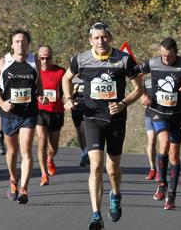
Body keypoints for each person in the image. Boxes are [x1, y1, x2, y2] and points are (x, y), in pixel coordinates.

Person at [62, 22, 143, 230]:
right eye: (96, 38)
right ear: (90, 40)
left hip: (116, 119)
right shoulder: (81, 59)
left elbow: (139, 88)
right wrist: (68, 97)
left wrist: (123, 103)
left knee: (113, 167)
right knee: (96, 165)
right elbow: (66, 78)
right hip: (92, 118)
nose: (100, 41)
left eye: (104, 37)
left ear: (110, 38)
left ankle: (115, 194)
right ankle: (96, 214)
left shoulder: (124, 59)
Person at [137, 37, 181, 210]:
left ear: (176, 53)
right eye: (163, 55)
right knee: (163, 143)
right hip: (158, 112)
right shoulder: (153, 63)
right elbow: (136, 74)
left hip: (177, 115)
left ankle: (171, 195)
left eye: (169, 56)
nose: (165, 59)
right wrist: (143, 94)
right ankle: (162, 183)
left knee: (174, 155)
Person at [0, 29, 47, 204]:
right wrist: (1, 103)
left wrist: (41, 94)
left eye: (23, 41)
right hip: (9, 113)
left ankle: (24, 189)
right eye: (17, 41)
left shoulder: (34, 61)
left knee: (26, 151)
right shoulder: (3, 62)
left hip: (28, 113)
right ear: (12, 44)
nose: (20, 44)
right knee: (12, 152)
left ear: (28, 44)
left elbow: (39, 84)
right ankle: (13, 180)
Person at [36, 46, 66, 186]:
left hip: (56, 112)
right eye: (42, 58)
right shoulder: (34, 73)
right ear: (38, 58)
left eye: (47, 58)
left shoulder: (60, 72)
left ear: (52, 57)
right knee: (42, 140)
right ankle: (43, 174)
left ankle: (50, 158)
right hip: (40, 111)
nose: (45, 61)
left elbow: (66, 90)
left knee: (53, 147)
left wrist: (68, 98)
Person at [70, 75, 90, 167]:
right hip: (76, 108)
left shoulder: (89, 75)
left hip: (88, 108)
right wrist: (74, 91)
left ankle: (88, 154)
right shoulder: (72, 79)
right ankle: (84, 154)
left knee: (85, 130)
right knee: (80, 133)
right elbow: (68, 96)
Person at [142, 79, 158, 181]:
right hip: (149, 113)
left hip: (164, 114)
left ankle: (161, 170)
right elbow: (142, 100)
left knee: (163, 141)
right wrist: (145, 99)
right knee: (151, 140)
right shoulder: (145, 82)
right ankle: (152, 168)